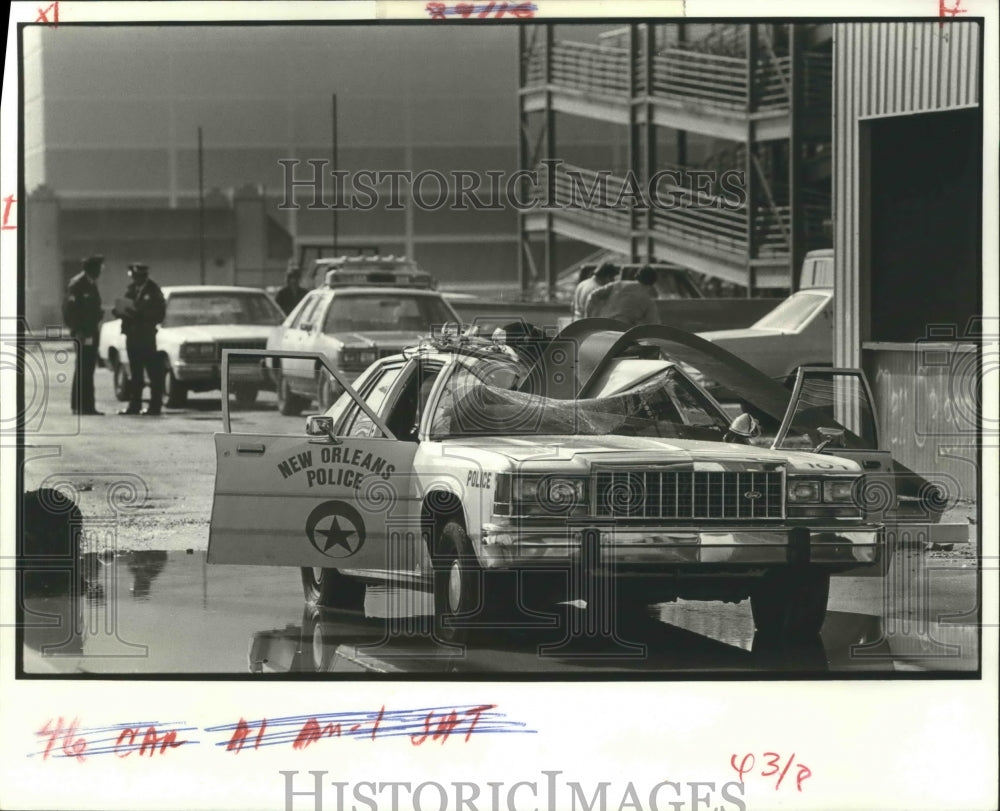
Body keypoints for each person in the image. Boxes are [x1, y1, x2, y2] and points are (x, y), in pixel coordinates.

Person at [113, 263, 166, 415]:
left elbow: (159, 314)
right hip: (132, 335)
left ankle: (155, 406)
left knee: (153, 373)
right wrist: (120, 312)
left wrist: (139, 314)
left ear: (144, 276)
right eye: (135, 277)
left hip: (146, 336)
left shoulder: (153, 291)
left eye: (140, 277)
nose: (137, 280)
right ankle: (134, 405)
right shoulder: (131, 290)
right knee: (135, 374)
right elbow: (126, 305)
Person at [63, 254, 105, 415]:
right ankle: (82, 406)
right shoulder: (77, 284)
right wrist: (76, 330)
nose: (101, 271)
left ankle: (85, 405)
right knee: (83, 369)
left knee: (87, 369)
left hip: (90, 331)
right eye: (99, 268)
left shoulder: (90, 283)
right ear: (92, 269)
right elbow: (69, 310)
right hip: (83, 333)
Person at [585, 264, 661, 328]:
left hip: (603, 328)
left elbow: (592, 296)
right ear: (653, 283)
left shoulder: (617, 285)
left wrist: (588, 318)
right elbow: (652, 327)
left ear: (636, 276)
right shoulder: (648, 302)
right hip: (623, 334)